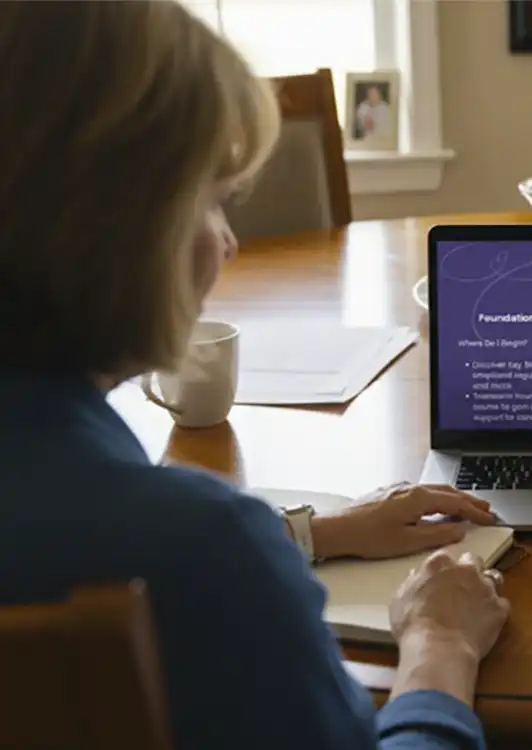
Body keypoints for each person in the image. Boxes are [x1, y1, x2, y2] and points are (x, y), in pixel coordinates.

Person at [0, 3, 506, 749]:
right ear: (124, 226)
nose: (229, 243)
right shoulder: (203, 553)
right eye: (213, 200)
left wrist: (312, 533)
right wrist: (439, 648)